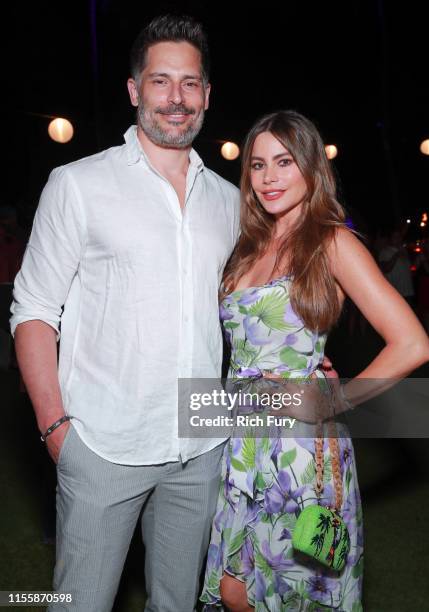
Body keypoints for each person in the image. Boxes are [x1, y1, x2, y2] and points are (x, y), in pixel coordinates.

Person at [10, 15, 241, 612]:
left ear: (207, 95)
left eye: (190, 84)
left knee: (177, 603)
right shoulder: (79, 184)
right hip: (102, 445)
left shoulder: (231, 201)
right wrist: (57, 430)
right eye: (160, 81)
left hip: (201, 446)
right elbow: (33, 309)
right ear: (135, 90)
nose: (176, 98)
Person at [200, 110, 429, 611]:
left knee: (292, 594)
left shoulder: (331, 242)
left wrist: (335, 398)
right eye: (258, 165)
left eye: (284, 162)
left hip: (299, 451)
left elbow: (412, 342)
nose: (269, 177)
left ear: (309, 166)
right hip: (242, 443)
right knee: (233, 590)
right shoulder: (249, 247)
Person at [378, 227, 415, 309]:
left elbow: (410, 271)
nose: (398, 239)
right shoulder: (385, 251)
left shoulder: (404, 252)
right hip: (396, 293)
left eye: (399, 237)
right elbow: (386, 269)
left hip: (408, 293)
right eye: (395, 237)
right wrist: (397, 254)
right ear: (390, 239)